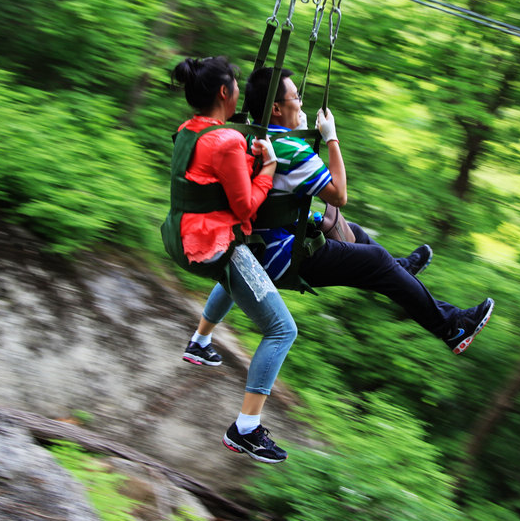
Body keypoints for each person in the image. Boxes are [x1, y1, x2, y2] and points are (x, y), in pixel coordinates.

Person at [189, 65, 494, 361]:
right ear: (278, 109)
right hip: (279, 256)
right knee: (376, 260)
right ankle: (451, 327)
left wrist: (298, 134)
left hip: (260, 239)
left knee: (357, 234)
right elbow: (340, 194)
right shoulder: (290, 151)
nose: (301, 102)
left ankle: (400, 271)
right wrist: (331, 138)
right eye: (296, 97)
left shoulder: (255, 135)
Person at [161, 56, 295, 464]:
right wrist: (268, 166)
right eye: (235, 85)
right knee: (282, 330)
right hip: (213, 244)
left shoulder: (188, 131)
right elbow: (246, 209)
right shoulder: (228, 141)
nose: (239, 91)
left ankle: (200, 341)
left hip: (179, 235)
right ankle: (246, 430)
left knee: (241, 275)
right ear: (225, 93)